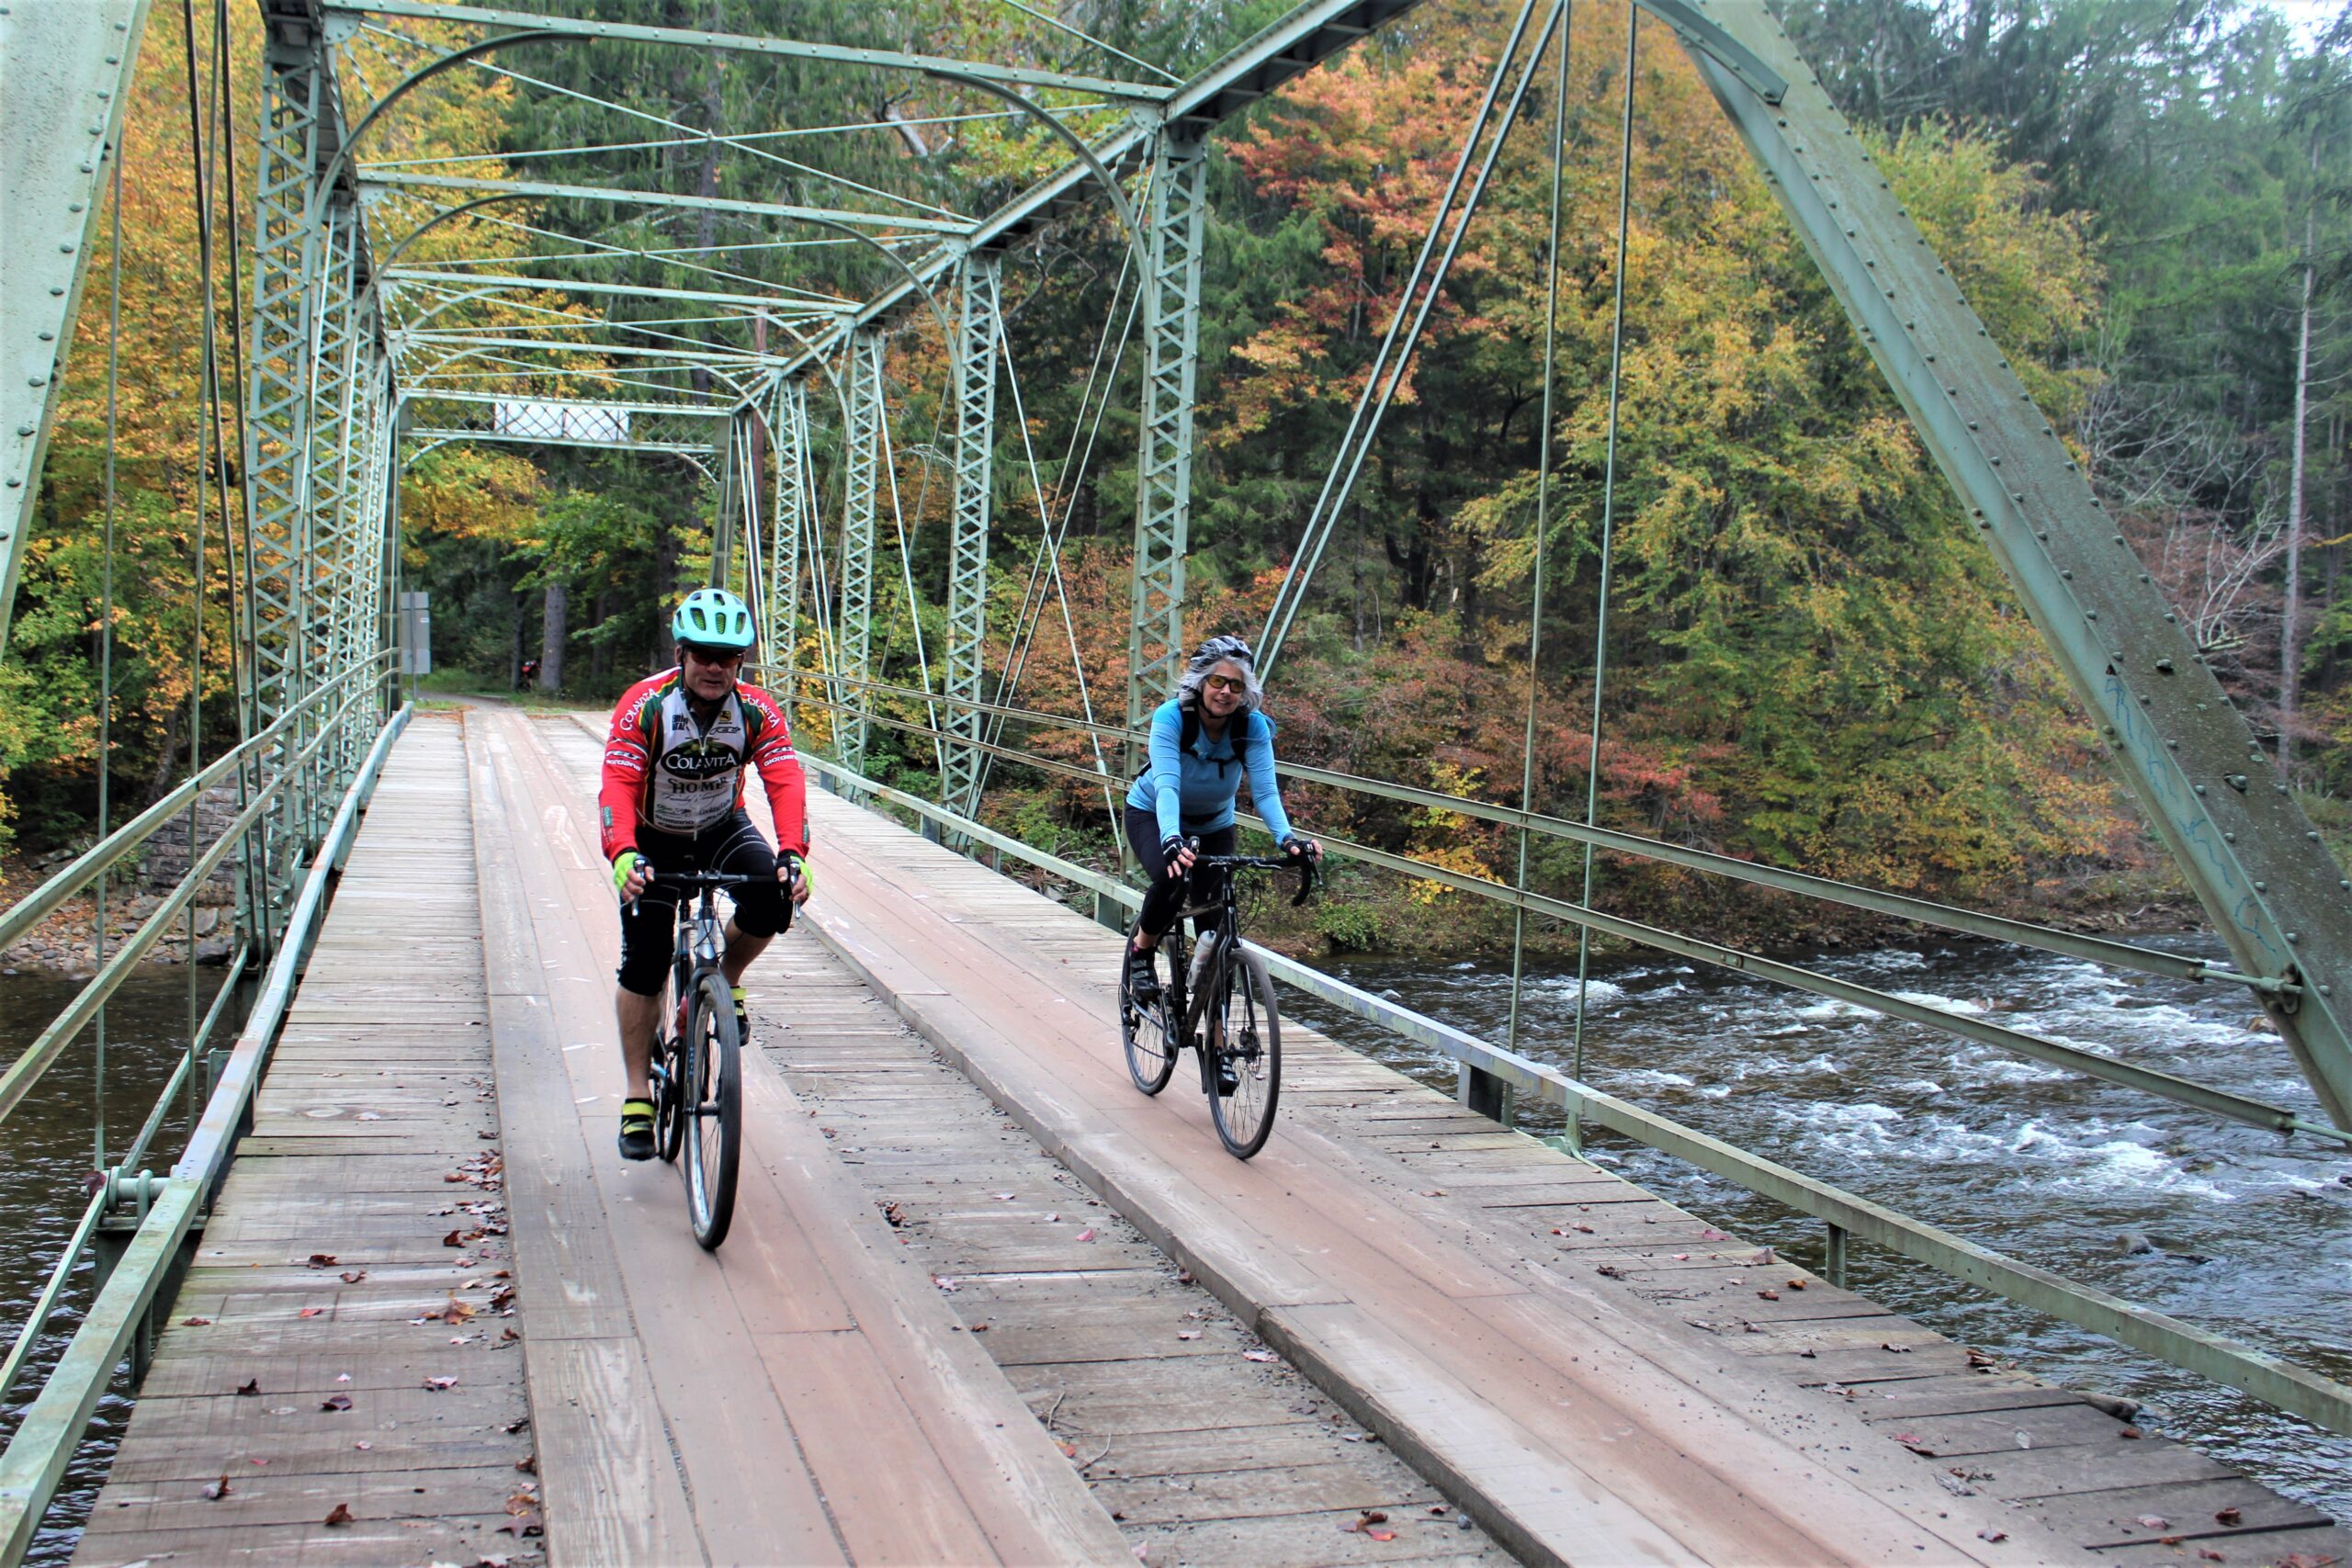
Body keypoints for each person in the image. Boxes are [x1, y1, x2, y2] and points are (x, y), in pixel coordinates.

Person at [599, 588, 810, 1161]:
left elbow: (785, 782)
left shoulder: (757, 711)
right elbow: (616, 786)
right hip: (652, 835)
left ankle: (726, 977)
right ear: (682, 653)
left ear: (741, 661)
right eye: (703, 654)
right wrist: (621, 852)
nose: (715, 667)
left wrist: (793, 852)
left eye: (728, 656)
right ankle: (637, 1097)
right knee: (644, 961)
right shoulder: (645, 705)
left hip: (719, 825)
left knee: (772, 895)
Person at [1123, 635, 1320, 1002]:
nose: (1226, 691)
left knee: (1215, 934)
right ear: (1200, 682)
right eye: (1217, 681)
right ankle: (1142, 949)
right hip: (1153, 814)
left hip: (1214, 824)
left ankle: (1218, 1048)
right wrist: (1170, 837)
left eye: (1236, 685)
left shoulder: (1253, 727)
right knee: (1172, 878)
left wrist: (1288, 839)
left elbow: (1264, 792)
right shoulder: (1172, 717)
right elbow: (1167, 786)